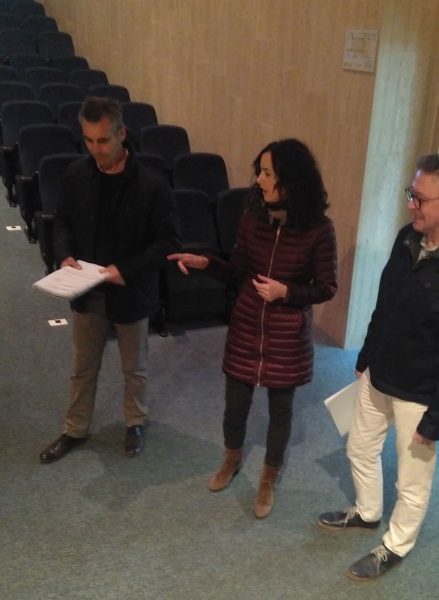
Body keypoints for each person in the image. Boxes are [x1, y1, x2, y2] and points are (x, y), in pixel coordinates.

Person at [317, 153, 439, 580]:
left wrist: (437, 419)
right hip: (379, 374)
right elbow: (385, 303)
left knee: (411, 480)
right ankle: (366, 512)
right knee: (359, 448)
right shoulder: (409, 238)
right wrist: (366, 356)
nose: (410, 205)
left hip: (421, 394)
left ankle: (395, 545)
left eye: (419, 198)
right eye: (411, 194)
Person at [168, 138, 337, 518]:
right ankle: (231, 459)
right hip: (246, 326)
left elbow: (327, 287)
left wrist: (286, 292)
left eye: (267, 173)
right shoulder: (252, 217)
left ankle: (268, 478)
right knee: (235, 407)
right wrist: (206, 262)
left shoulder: (319, 230)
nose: (258, 180)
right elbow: (237, 270)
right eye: (259, 172)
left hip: (287, 333)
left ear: (290, 179)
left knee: (281, 411)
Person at [39, 96, 181, 464]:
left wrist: (126, 270)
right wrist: (65, 255)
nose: (95, 149)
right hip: (88, 290)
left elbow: (168, 243)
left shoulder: (151, 184)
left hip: (130, 290)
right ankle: (74, 429)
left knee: (134, 369)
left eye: (103, 140)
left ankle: (135, 423)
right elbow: (63, 222)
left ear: (122, 134)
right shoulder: (76, 175)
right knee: (83, 368)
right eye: (88, 140)